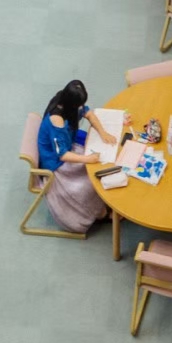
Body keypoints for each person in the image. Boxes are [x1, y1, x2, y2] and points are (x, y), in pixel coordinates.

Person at [37, 80, 111, 231]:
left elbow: (89, 114)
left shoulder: (66, 100)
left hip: (68, 143)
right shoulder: (56, 121)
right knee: (89, 182)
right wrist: (87, 159)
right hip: (56, 162)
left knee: (97, 166)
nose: (81, 108)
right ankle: (98, 213)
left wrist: (103, 133)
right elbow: (62, 154)